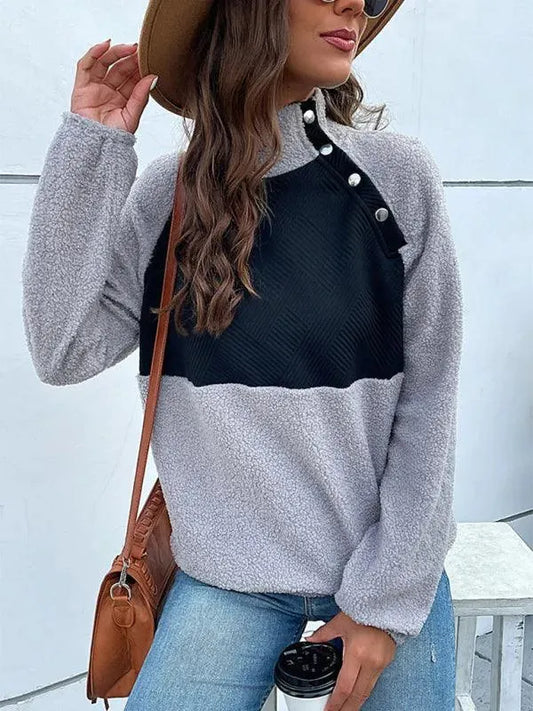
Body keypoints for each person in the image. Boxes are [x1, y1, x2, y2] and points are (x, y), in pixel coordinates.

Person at [21, 0, 462, 709]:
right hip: (225, 581)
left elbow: (430, 405)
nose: (357, 4)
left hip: (385, 569)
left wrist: (384, 603)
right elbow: (62, 349)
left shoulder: (397, 179)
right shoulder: (167, 197)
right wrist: (91, 147)